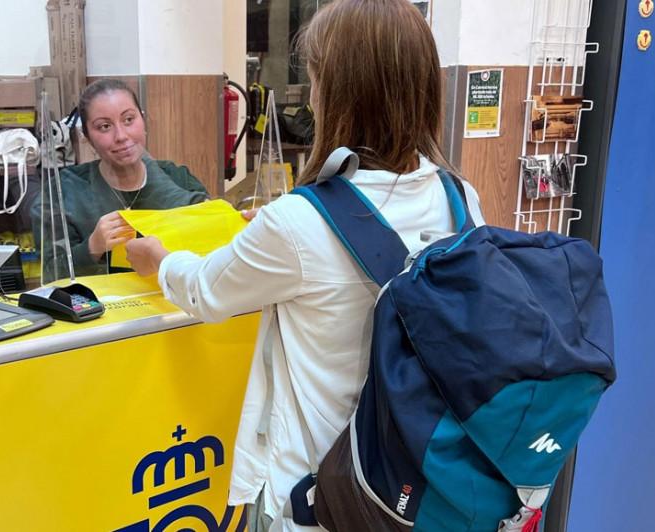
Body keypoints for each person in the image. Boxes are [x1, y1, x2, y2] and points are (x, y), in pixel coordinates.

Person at [124, 0, 485, 530]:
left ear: (339, 91)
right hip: (420, 484)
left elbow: (206, 291)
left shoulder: (298, 222)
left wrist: (158, 258)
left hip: (321, 499)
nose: (311, 95)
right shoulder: (460, 196)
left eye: (315, 78)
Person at [31, 79, 209, 278]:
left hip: (170, 304)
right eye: (105, 126)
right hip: (101, 306)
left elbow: (208, 259)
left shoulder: (178, 179)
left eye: (129, 120)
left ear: (143, 120)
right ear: (87, 136)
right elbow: (50, 273)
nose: (121, 136)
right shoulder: (64, 191)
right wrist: (92, 247)